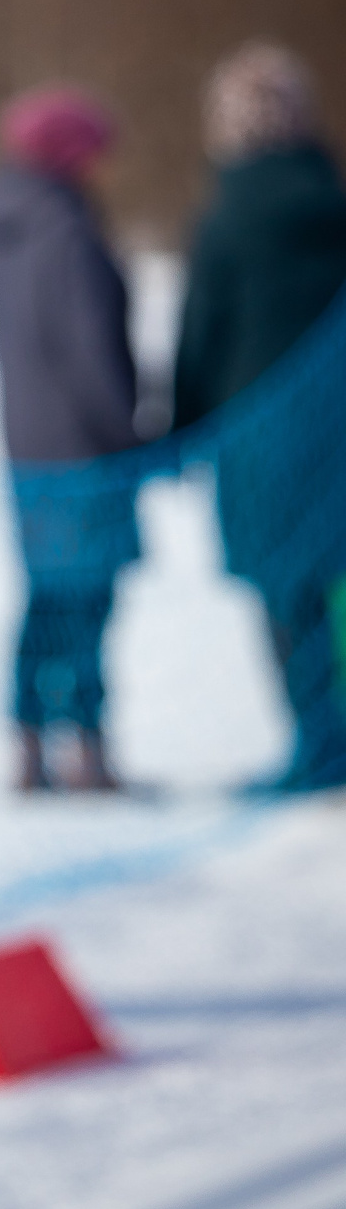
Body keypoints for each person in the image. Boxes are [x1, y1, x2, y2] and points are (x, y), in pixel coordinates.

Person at [174, 40, 346, 794]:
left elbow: (200, 332)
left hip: (258, 439)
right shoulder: (334, 203)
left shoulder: (226, 216)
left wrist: (181, 425)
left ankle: (317, 742)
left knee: (286, 591)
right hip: (336, 432)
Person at [0, 86, 142, 793]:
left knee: (46, 593)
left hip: (29, 445)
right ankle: (87, 747)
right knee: (85, 597)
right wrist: (127, 431)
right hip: (86, 450)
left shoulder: (9, 225)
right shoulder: (67, 230)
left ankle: (31, 741)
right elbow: (91, 353)